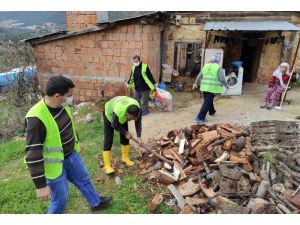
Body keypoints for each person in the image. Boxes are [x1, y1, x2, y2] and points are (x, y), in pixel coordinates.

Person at [25, 76, 112, 214]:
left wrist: (76, 142)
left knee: (84, 180)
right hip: (54, 167)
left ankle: (96, 203)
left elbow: (69, 126)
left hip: (71, 155)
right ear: (57, 96)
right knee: (61, 198)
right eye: (69, 95)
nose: (71, 98)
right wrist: (40, 186)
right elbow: (32, 154)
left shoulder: (63, 105)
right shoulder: (36, 119)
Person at [102, 96, 143, 175]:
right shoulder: (119, 111)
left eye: (135, 118)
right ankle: (107, 166)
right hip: (109, 114)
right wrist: (126, 132)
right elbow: (114, 124)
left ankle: (125, 158)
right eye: (131, 118)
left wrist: (139, 137)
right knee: (108, 139)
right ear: (127, 114)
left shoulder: (138, 108)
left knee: (125, 138)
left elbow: (138, 122)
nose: (133, 120)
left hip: (122, 113)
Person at [192, 55, 228, 124]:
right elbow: (222, 79)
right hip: (212, 88)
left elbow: (199, 75)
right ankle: (199, 118)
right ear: (218, 61)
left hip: (204, 87)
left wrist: (195, 83)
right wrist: (226, 85)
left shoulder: (206, 66)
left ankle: (212, 111)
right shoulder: (218, 67)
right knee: (207, 103)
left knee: (208, 100)